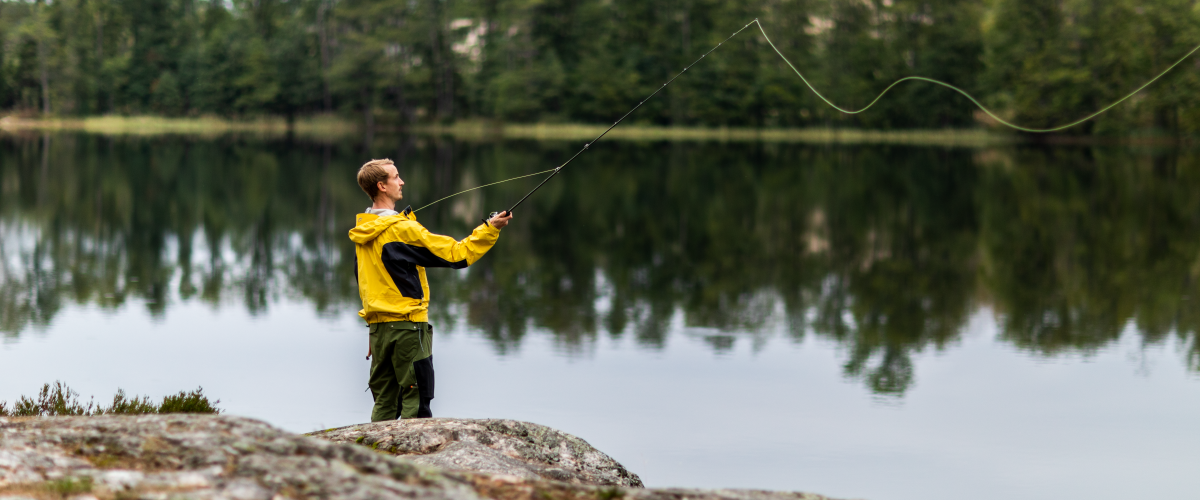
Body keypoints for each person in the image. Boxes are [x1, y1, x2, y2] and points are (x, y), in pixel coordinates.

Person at [349, 158, 512, 421]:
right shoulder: (401, 229)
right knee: (417, 402)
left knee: (385, 403)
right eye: (396, 177)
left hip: (379, 332)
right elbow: (457, 255)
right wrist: (489, 230)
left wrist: (373, 325)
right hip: (408, 330)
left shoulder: (363, 229)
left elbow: (365, 282)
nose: (401, 182)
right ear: (381, 186)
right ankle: (412, 463)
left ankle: (376, 459)